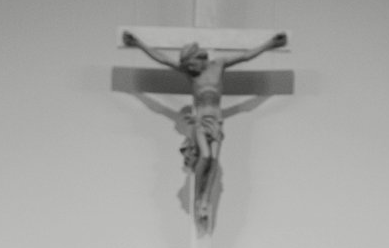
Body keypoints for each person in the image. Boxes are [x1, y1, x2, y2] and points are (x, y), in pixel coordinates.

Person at [121, 30, 288, 233]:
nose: (190, 70)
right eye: (188, 67)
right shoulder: (192, 74)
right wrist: (139, 44)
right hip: (200, 121)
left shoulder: (218, 66)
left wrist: (269, 44)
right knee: (206, 156)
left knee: (214, 161)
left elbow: (246, 56)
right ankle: (199, 196)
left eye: (192, 65)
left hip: (217, 121)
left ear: (199, 58)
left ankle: (205, 200)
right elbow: (163, 59)